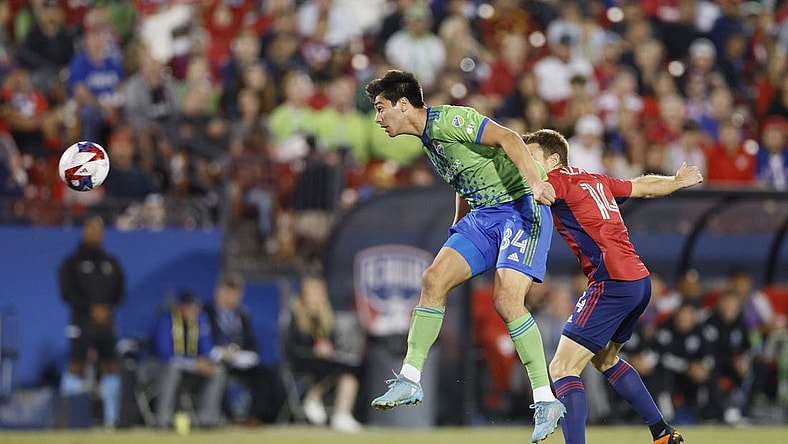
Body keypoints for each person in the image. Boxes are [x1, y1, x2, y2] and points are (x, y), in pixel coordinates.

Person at [364, 69, 564, 443]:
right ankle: (409, 379)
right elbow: (465, 178)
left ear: (403, 105)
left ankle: (545, 399)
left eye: (381, 108)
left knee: (506, 300)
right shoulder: (429, 142)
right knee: (432, 280)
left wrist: (538, 184)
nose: (378, 118)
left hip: (521, 205)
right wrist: (459, 223)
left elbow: (507, 138)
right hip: (484, 215)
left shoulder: (451, 119)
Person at [523, 128, 704, 444]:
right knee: (605, 360)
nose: (524, 162)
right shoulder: (596, 180)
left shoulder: (556, 182)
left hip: (612, 282)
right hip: (638, 281)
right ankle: (662, 433)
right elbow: (643, 187)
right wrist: (676, 182)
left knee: (562, 367)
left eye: (531, 156)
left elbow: (534, 193)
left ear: (553, 159)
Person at [58, 216, 124, 428]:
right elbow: (67, 292)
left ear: (103, 235)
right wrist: (90, 308)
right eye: (90, 230)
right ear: (83, 232)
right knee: (76, 365)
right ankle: (68, 417)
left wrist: (107, 308)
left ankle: (111, 419)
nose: (94, 234)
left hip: (106, 323)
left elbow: (120, 291)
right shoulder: (71, 263)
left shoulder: (111, 264)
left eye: (98, 231)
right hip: (81, 321)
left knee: (110, 366)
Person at [283, 272, 363, 432]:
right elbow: (292, 347)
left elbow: (331, 342)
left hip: (324, 361)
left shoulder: (325, 317)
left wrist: (328, 348)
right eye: (312, 293)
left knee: (350, 370)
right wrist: (315, 350)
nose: (316, 297)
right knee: (337, 367)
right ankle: (312, 397)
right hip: (302, 359)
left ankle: (342, 414)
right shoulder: (295, 314)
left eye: (319, 293)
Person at [203, 273, 284, 425]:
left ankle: (256, 417)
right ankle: (229, 417)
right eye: (229, 292)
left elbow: (251, 343)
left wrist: (243, 352)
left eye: (236, 294)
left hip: (239, 360)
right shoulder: (205, 312)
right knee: (218, 372)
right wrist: (220, 352)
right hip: (215, 360)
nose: (232, 298)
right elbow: (202, 341)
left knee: (266, 373)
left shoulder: (242, 314)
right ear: (219, 291)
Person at [152, 290, 226, 429]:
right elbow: (165, 354)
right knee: (172, 368)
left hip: (188, 370)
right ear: (180, 307)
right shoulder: (166, 320)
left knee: (217, 370)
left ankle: (208, 419)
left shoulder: (200, 319)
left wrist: (205, 362)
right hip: (158, 367)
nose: (193, 311)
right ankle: (163, 419)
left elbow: (206, 349)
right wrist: (193, 364)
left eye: (195, 307)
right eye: (189, 307)